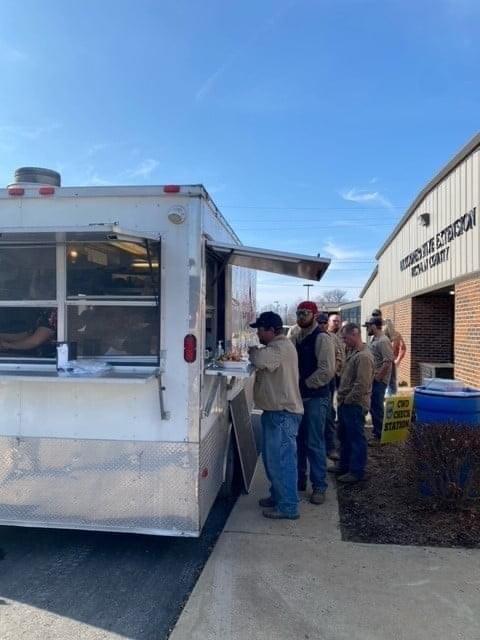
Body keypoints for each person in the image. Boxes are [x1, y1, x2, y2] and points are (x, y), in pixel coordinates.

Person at [248, 311, 304, 520]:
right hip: (277, 413)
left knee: (281, 462)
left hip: (282, 415)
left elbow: (259, 359)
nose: (258, 335)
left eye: (260, 330)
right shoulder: (280, 347)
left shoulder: (279, 347)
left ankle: (288, 506)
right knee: (274, 461)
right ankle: (278, 496)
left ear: (272, 330)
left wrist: (253, 350)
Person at [290, 301, 335, 504]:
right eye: (298, 313)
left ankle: (319, 486)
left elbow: (327, 371)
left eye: (305, 313)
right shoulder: (297, 336)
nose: (301, 317)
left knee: (314, 443)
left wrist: (305, 384)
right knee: (298, 441)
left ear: (314, 315)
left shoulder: (322, 338)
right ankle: (300, 479)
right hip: (299, 398)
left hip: (316, 398)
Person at [333, 323, 374, 483]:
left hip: (354, 404)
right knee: (344, 436)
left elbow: (362, 385)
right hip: (345, 403)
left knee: (356, 438)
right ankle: (344, 465)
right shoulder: (352, 353)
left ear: (355, 334)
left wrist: (348, 400)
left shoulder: (363, 356)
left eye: (345, 338)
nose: (344, 341)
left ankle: (356, 471)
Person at [364, 316, 394, 443]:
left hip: (379, 381)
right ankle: (377, 433)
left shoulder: (383, 340)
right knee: (373, 407)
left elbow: (388, 362)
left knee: (377, 407)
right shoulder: (374, 339)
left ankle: (380, 436)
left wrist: (378, 378)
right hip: (372, 379)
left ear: (374, 326)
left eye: (369, 326)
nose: (367, 329)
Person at [325, 313, 345, 460]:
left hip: (339, 377)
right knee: (327, 412)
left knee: (334, 411)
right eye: (334, 321)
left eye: (338, 321)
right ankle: (329, 446)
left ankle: (333, 445)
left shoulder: (339, 337)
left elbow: (340, 356)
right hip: (326, 379)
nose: (336, 323)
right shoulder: (325, 337)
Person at [384, 319, 406, 396]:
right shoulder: (382, 336)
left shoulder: (396, 335)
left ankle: (390, 398)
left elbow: (403, 347)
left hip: (391, 362)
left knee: (391, 381)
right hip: (383, 362)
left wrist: (398, 359)